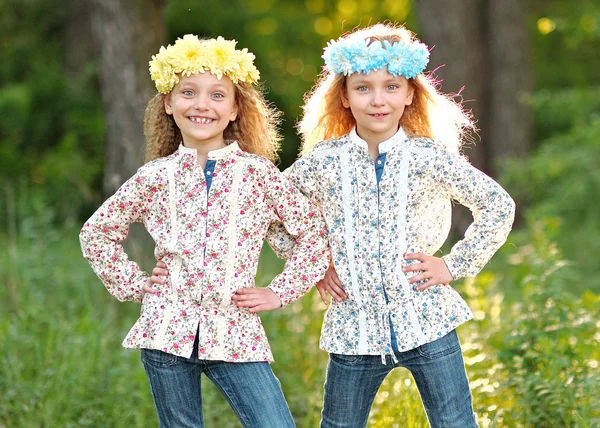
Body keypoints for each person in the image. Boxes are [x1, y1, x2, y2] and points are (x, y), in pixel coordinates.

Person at [271, 23, 515, 427]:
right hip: (354, 325)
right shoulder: (323, 162)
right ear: (345, 97)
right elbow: (272, 216)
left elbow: (497, 206)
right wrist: (313, 264)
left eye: (391, 87)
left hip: (427, 320)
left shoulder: (429, 157)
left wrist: (453, 265)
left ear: (409, 95)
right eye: (363, 87)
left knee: (455, 422)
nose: (377, 99)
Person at [79, 34, 329, 428]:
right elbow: (96, 233)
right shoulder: (155, 176)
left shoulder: (258, 174)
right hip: (166, 331)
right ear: (168, 102)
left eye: (217, 95)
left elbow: (313, 234)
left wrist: (280, 292)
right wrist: (136, 283)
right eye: (188, 92)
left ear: (234, 110)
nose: (201, 105)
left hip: (235, 329)